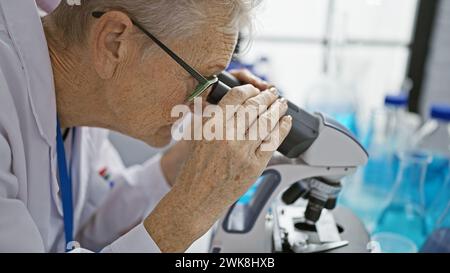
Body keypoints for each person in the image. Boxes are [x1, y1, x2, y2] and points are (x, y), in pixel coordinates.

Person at [0, 0, 292, 252]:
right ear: (114, 42)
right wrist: (191, 208)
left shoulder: (84, 100)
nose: (202, 102)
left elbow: (82, 231)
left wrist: (188, 157)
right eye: (199, 80)